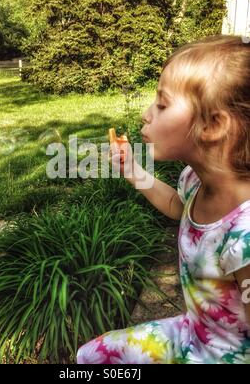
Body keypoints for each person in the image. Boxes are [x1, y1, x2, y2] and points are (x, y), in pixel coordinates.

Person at [76, 35, 250, 364]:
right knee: (90, 357)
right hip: (193, 332)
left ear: (212, 125)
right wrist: (134, 172)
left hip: (223, 358)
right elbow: (176, 207)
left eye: (162, 104)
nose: (146, 114)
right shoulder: (195, 180)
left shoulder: (245, 234)